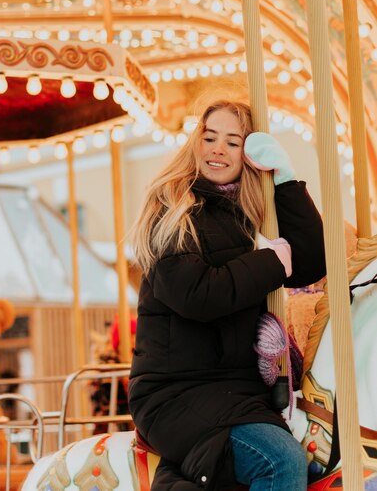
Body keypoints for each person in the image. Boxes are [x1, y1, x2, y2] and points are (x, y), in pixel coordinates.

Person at [128, 100, 326, 491]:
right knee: (279, 460)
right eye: (210, 137)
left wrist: (286, 182)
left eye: (234, 142)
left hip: (237, 391)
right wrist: (270, 261)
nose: (218, 149)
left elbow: (310, 262)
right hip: (176, 390)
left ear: (249, 155)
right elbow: (197, 295)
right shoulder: (171, 210)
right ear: (195, 143)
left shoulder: (248, 214)